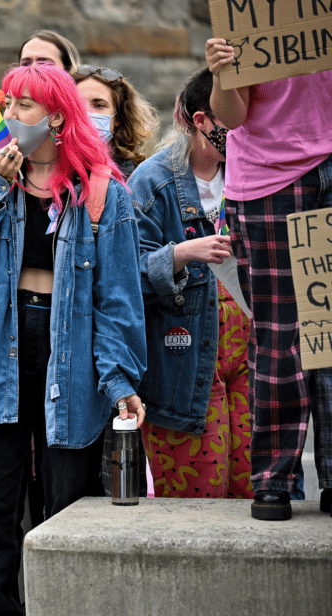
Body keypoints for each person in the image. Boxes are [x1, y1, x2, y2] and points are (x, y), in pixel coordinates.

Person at [0, 63, 147, 615]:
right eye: (8, 106)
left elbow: (118, 299)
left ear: (56, 115)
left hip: (70, 348)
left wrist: (119, 377)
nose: (10, 117)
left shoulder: (102, 192)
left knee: (68, 498)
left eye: (23, 107)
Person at [206, 38, 332, 520]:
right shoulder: (246, 19)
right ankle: (274, 480)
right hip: (269, 184)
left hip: (325, 174)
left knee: (327, 336)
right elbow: (232, 116)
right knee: (281, 337)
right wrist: (220, 74)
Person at [130, 67, 253, 499]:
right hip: (185, 368)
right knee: (197, 502)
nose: (242, 125)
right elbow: (126, 279)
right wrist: (183, 253)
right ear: (201, 121)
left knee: (252, 494)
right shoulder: (152, 181)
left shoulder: (253, 174)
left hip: (250, 363)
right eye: (229, 116)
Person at [74, 65, 158, 179]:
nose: (86, 113)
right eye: (78, 104)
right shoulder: (46, 166)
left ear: (118, 117)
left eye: (99, 105)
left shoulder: (138, 178)